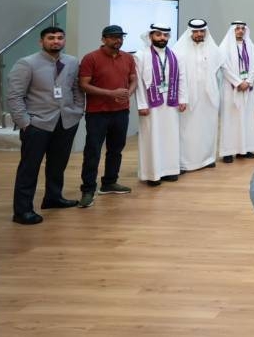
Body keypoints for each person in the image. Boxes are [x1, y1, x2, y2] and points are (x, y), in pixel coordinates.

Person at [7, 26, 85, 224]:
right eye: (51, 38)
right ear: (41, 42)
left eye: (60, 38)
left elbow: (77, 89)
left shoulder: (72, 62)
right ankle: (22, 211)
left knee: (58, 164)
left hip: (66, 122)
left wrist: (77, 111)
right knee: (29, 168)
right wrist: (25, 123)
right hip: (37, 124)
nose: (56, 41)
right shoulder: (27, 63)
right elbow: (15, 96)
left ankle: (53, 197)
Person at [78, 24, 137, 208]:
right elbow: (83, 85)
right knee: (93, 151)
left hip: (121, 112)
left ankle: (109, 182)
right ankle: (88, 189)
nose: (117, 40)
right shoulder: (91, 58)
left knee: (116, 149)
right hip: (98, 113)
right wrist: (111, 94)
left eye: (120, 37)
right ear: (103, 39)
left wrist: (128, 93)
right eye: (113, 37)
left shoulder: (128, 58)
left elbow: (133, 79)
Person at [135, 24, 188, 186]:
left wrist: (183, 98)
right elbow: (138, 83)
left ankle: (170, 170)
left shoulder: (176, 55)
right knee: (152, 137)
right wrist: (142, 104)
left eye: (165, 35)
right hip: (150, 104)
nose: (162, 38)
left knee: (170, 136)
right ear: (150, 36)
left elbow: (182, 78)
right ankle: (153, 174)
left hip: (171, 102)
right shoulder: (141, 56)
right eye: (158, 35)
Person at [173, 19, 223, 173]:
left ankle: (207, 159)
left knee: (207, 128)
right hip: (188, 97)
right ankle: (184, 163)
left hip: (208, 97)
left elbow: (219, 70)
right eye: (195, 31)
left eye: (202, 31)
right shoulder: (178, 50)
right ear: (190, 32)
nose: (199, 34)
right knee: (187, 130)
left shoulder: (213, 49)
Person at [218, 21, 254, 163]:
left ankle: (244, 149)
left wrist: (248, 81)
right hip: (230, 88)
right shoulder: (224, 46)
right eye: (237, 29)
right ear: (232, 30)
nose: (240, 31)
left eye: (243, 28)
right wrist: (238, 82)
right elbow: (224, 67)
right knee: (230, 119)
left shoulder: (250, 46)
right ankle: (228, 152)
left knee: (247, 118)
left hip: (247, 87)